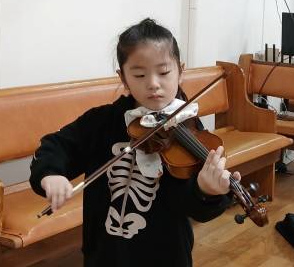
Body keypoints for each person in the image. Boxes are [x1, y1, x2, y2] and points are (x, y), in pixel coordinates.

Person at [30, 18, 237, 266]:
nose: (153, 84)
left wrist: (206, 191)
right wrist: (51, 174)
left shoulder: (188, 129)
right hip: (105, 255)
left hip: (167, 256)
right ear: (123, 78)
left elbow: (191, 206)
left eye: (164, 72)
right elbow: (56, 146)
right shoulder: (101, 122)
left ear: (180, 72)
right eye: (139, 74)